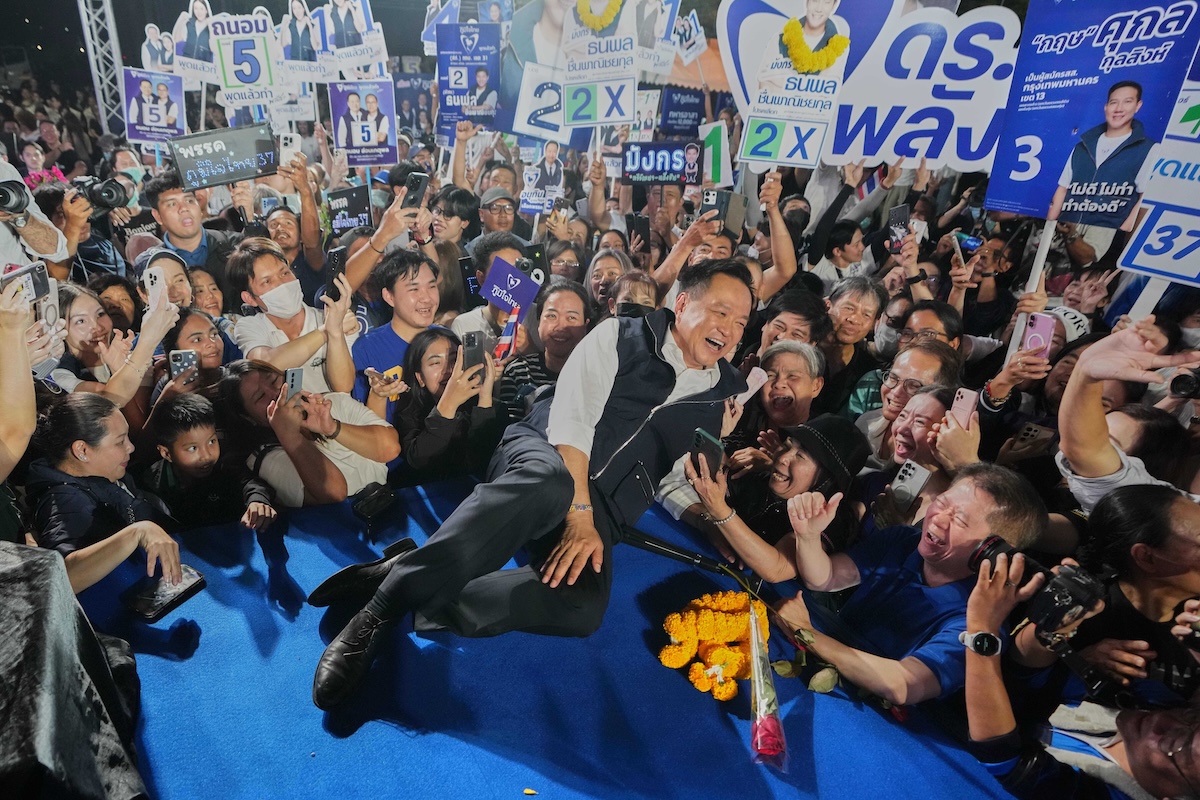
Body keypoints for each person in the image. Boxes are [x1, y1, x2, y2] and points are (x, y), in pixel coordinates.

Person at [310, 258, 755, 709]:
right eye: (721, 312)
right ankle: (379, 611)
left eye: (741, 322)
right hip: (544, 450)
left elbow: (673, 476)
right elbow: (572, 423)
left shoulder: (719, 398)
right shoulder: (620, 335)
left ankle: (410, 581)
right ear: (683, 303)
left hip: (605, 506)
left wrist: (714, 521)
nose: (730, 329)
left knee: (582, 607)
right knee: (549, 482)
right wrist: (579, 513)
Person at [777, 462, 1047, 706]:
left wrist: (806, 632)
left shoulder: (981, 620)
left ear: (991, 550)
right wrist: (809, 536)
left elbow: (905, 684)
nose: (938, 519)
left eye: (960, 520)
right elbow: (825, 578)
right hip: (824, 674)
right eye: (942, 503)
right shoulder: (903, 540)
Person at [963, 551, 1200, 800]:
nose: (1164, 722)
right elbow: (1025, 678)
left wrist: (982, 628)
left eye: (1177, 747)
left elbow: (1001, 755)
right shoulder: (1152, 695)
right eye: (1192, 718)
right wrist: (1054, 627)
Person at [27, 393, 181, 593]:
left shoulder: (105, 473)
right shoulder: (66, 500)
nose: (131, 447)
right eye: (120, 441)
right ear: (82, 450)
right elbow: (64, 576)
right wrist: (137, 532)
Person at [216, 359, 399, 507]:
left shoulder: (333, 402)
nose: (276, 393)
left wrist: (332, 428)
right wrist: (290, 435)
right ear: (248, 417)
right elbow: (335, 493)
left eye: (274, 380)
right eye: (260, 396)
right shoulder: (264, 457)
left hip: (388, 504)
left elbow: (390, 449)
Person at [390, 328, 507, 485]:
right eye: (435, 363)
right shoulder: (409, 415)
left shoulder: (495, 408)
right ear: (420, 378)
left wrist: (484, 399)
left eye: (454, 360)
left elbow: (486, 461)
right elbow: (420, 461)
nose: (448, 370)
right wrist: (449, 405)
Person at [143, 394, 277, 531]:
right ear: (166, 453)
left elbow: (250, 483)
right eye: (192, 448)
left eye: (212, 441)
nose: (207, 455)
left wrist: (257, 501)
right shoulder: (152, 485)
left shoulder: (225, 464)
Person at [1049, 81, 1157, 231]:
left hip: (1103, 235)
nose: (1118, 109)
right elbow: (1062, 190)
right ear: (1106, 107)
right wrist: (1050, 225)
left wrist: (1120, 232)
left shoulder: (1148, 149)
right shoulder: (1082, 146)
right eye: (1114, 102)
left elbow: (1143, 199)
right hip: (1064, 230)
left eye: (1127, 101)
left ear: (1138, 106)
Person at [351, 249, 439, 423]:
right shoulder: (367, 349)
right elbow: (365, 424)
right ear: (389, 296)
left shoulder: (446, 339)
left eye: (432, 286)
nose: (427, 298)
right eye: (414, 289)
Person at [142, 170, 242, 307]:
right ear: (158, 216)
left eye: (189, 200)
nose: (183, 208)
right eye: (172, 204)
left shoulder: (236, 245)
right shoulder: (152, 266)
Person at [498, 278, 593, 405]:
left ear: (585, 326)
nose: (560, 327)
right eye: (552, 316)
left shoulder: (596, 372)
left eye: (571, 317)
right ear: (539, 322)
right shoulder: (518, 371)